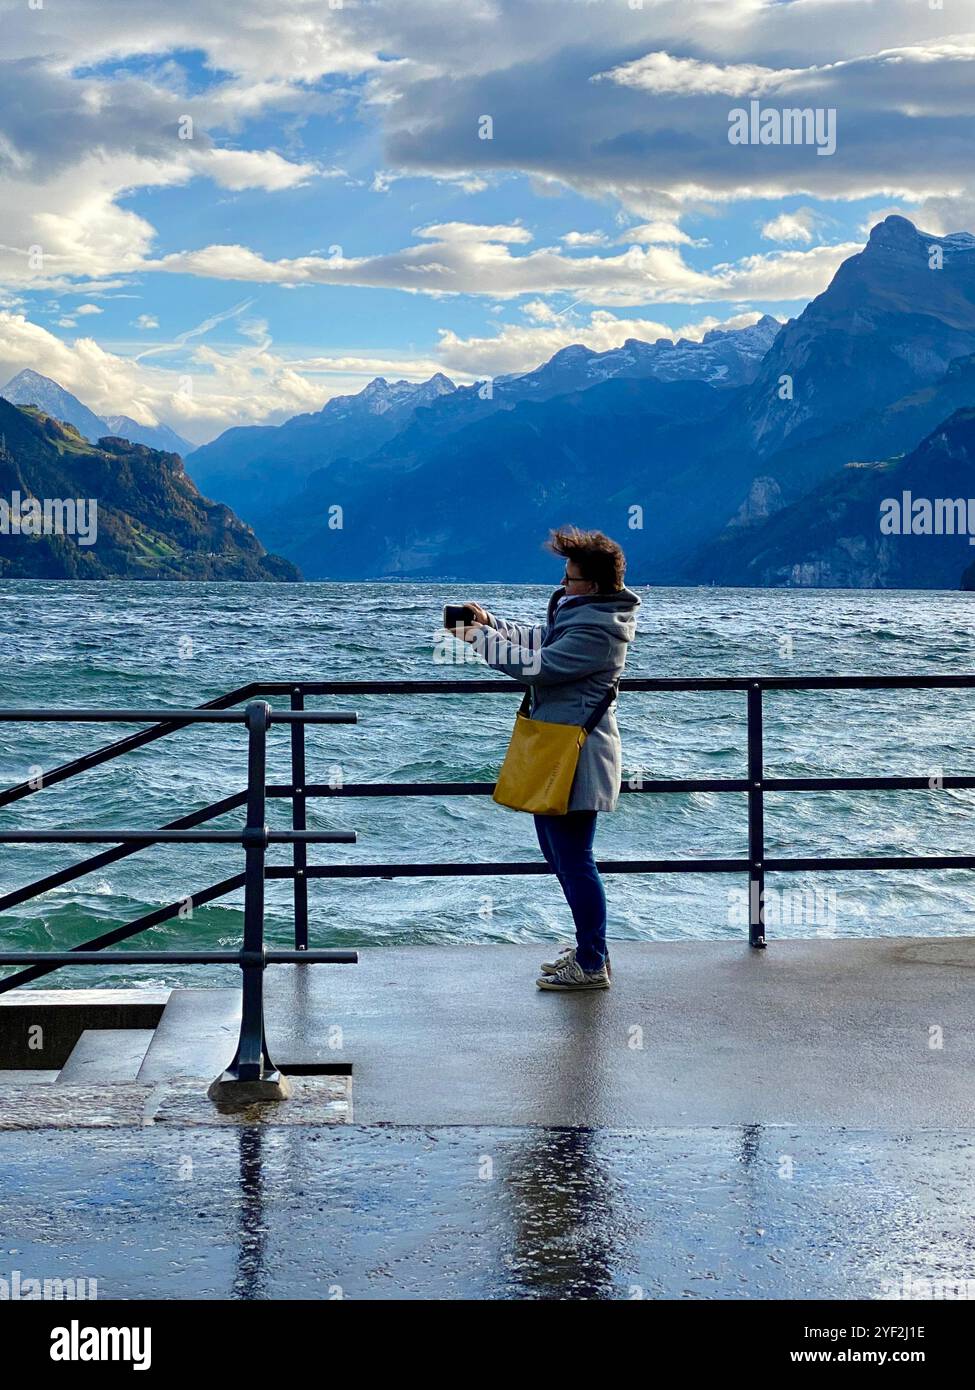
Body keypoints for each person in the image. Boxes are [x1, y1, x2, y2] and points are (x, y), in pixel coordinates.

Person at [453, 525, 641, 991]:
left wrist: (478, 640)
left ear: (593, 586)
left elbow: (540, 666)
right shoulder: (582, 613)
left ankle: (593, 964)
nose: (562, 585)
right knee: (560, 857)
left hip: (577, 757)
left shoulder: (600, 630)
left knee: (575, 860)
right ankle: (590, 951)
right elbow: (539, 639)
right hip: (556, 750)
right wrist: (491, 624)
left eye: (570, 578)